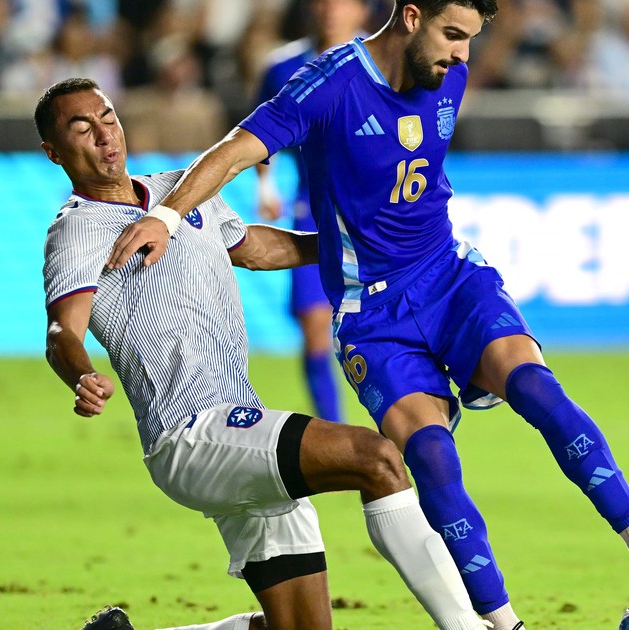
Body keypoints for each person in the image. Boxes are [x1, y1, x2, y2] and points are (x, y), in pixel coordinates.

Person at [102, 1, 629, 628]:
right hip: (372, 317)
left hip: (449, 277)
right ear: (411, 16)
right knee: (431, 457)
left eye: (471, 39)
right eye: (453, 35)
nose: (462, 55)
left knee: (534, 386)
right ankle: (504, 623)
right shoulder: (329, 83)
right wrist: (166, 215)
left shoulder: (449, 74)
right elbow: (234, 151)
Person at [36, 77, 485, 630]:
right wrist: (82, 374)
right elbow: (63, 331)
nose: (105, 135)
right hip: (190, 433)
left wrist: (351, 247)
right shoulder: (77, 229)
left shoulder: (178, 191)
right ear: (54, 152)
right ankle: (467, 626)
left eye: (108, 117)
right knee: (376, 458)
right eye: (82, 128)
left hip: (237, 425)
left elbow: (255, 249)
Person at [253, 0, 373, 424]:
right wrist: (265, 183)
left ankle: (409, 427)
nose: (330, 10)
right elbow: (259, 132)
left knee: (386, 327)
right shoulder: (282, 67)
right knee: (315, 326)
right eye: (322, 2)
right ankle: (336, 430)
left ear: (361, 10)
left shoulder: (382, 60)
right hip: (314, 210)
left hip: (375, 213)